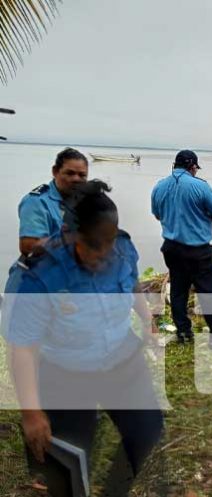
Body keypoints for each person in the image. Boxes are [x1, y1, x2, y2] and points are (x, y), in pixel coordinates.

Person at [3, 180, 164, 496]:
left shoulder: (124, 247)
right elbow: (23, 347)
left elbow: (131, 283)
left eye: (109, 241)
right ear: (69, 234)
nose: (103, 253)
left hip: (122, 360)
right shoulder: (39, 273)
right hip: (66, 373)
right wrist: (32, 413)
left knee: (148, 438)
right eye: (92, 244)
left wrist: (147, 321)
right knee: (70, 465)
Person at [150, 150, 212, 356]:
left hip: (172, 247)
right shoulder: (200, 186)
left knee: (178, 290)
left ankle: (184, 333)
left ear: (174, 165)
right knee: (208, 294)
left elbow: (157, 214)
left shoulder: (159, 186)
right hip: (198, 250)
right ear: (193, 167)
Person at [17, 147, 89, 256]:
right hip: (41, 270)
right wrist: (72, 239)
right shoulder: (36, 202)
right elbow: (28, 246)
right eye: (70, 173)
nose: (76, 179)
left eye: (82, 175)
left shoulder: (87, 201)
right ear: (55, 171)